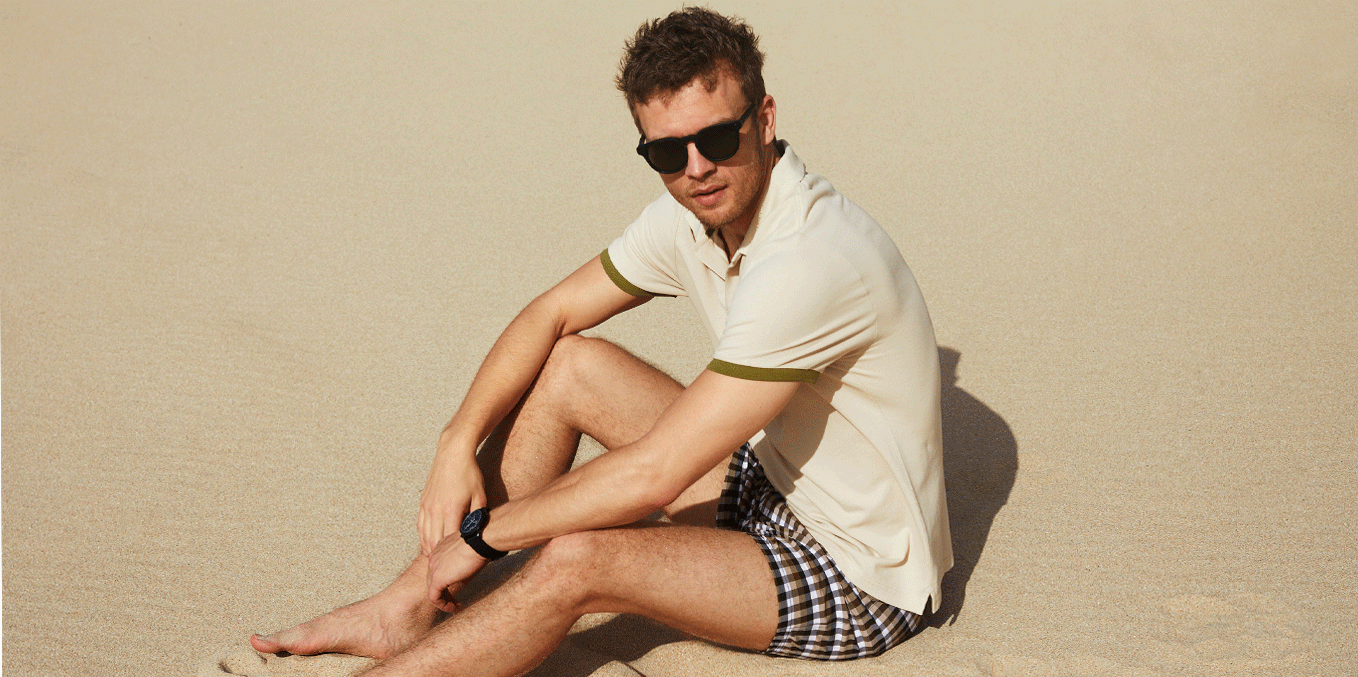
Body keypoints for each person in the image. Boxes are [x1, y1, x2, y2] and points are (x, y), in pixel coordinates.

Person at [249, 8, 951, 675]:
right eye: (667, 151)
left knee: (577, 560)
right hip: (773, 483)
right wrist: (455, 441)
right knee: (570, 368)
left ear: (765, 120)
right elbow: (553, 313)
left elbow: (656, 474)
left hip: (858, 576)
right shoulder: (695, 214)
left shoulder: (810, 260)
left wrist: (483, 534)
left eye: (717, 139)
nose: (697, 168)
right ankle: (403, 609)